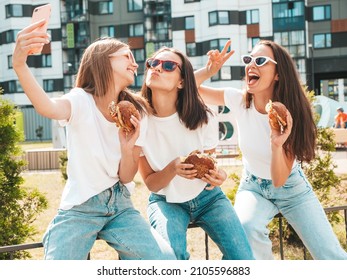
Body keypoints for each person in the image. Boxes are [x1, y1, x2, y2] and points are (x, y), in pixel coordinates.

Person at [12, 20, 176, 260]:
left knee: (162, 262)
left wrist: (128, 146)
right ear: (103, 62)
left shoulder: (138, 112)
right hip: (81, 208)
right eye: (126, 56)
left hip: (120, 206)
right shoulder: (81, 101)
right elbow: (48, 107)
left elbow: (126, 177)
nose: (135, 63)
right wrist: (19, 65)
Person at [194, 40, 347, 260]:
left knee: (330, 255)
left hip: (292, 189)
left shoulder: (288, 114)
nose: (251, 65)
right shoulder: (238, 100)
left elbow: (279, 180)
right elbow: (189, 88)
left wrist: (277, 144)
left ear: (277, 74)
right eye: (248, 60)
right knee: (247, 230)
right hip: (252, 186)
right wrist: (209, 70)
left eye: (260, 60)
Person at [138, 46, 254, 260]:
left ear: (182, 81)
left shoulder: (204, 116)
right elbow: (152, 184)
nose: (157, 68)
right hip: (166, 201)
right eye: (153, 63)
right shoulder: (139, 121)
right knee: (171, 259)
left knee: (244, 260)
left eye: (169, 65)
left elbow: (210, 165)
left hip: (209, 198)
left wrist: (218, 176)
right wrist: (173, 168)